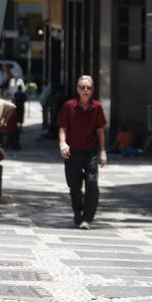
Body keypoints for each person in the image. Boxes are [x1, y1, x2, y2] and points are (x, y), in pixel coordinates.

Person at [58, 75, 107, 229]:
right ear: (77, 90)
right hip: (73, 151)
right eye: (82, 87)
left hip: (90, 151)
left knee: (92, 183)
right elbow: (63, 127)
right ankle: (77, 211)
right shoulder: (69, 106)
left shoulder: (97, 107)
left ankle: (87, 217)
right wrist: (62, 143)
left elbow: (100, 131)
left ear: (92, 90)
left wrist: (103, 151)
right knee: (74, 185)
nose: (85, 90)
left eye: (89, 88)